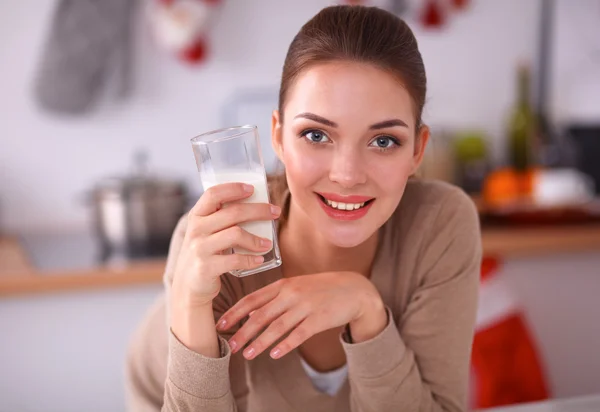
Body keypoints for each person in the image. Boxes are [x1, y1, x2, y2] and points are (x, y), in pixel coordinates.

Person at [125, 5, 481, 412]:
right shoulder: (218, 244)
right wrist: (190, 304)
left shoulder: (439, 225)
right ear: (277, 136)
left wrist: (367, 311)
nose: (347, 175)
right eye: (316, 134)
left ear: (418, 149)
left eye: (383, 141)